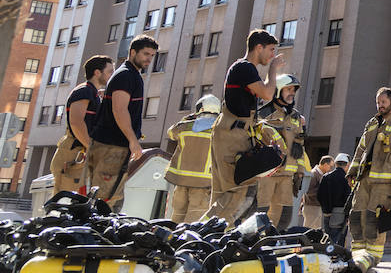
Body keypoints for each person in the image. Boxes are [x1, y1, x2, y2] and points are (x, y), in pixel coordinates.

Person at [207, 30, 283, 222]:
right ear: (259, 47)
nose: (273, 55)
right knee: (236, 191)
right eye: (271, 50)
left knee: (225, 192)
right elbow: (267, 93)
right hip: (232, 135)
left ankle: (213, 237)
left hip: (233, 132)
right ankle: (202, 234)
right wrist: (273, 70)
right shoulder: (244, 68)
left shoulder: (245, 70)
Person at [86, 37, 158, 208]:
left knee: (111, 200)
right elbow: (119, 110)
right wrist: (133, 141)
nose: (149, 58)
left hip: (112, 146)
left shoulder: (128, 74)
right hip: (111, 146)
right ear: (133, 52)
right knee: (105, 201)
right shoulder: (126, 75)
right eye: (145, 54)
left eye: (152, 55)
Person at [347, 87, 391, 263]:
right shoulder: (372, 123)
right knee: (356, 215)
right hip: (364, 178)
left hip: (385, 182)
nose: (380, 105)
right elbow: (361, 149)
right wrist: (352, 172)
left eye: (383, 102)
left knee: (373, 218)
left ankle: (373, 258)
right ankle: (357, 257)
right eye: (378, 102)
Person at [50, 56, 113, 194]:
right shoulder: (84, 91)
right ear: (97, 73)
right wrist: (92, 148)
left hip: (81, 153)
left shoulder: (93, 93)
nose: (111, 75)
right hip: (74, 153)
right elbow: (76, 122)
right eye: (109, 71)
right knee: (65, 204)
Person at [257, 73, 310, 227]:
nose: (292, 93)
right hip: (267, 175)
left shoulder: (296, 117)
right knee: (260, 214)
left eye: (294, 90)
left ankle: (275, 245)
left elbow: (299, 145)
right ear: (278, 90)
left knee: (284, 216)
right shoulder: (264, 114)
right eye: (288, 89)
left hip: (288, 176)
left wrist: (300, 170)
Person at [163, 94, 220, 223]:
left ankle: (172, 242)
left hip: (181, 181)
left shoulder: (184, 127)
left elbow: (170, 132)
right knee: (193, 221)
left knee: (176, 217)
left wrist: (189, 118)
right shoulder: (219, 130)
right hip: (203, 183)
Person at [318, 153, 351, 246]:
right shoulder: (346, 179)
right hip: (340, 213)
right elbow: (348, 197)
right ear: (347, 165)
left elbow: (319, 195)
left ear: (336, 164)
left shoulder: (326, 177)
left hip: (326, 212)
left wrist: (326, 209)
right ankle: (336, 257)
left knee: (328, 236)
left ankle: (327, 256)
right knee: (338, 238)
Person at [301, 155, 334, 230]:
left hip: (316, 207)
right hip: (311, 207)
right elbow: (308, 191)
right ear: (325, 165)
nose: (331, 169)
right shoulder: (314, 174)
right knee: (307, 230)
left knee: (315, 232)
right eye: (330, 166)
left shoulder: (320, 174)